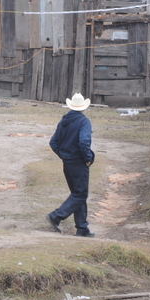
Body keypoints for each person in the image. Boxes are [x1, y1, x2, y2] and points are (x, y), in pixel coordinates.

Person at [46, 93, 95, 238]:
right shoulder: (84, 122)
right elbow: (84, 142)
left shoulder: (63, 121)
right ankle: (56, 216)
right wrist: (87, 158)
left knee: (77, 194)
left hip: (67, 162)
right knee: (80, 194)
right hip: (78, 162)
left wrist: (64, 155)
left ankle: (82, 229)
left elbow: (53, 143)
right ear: (83, 107)